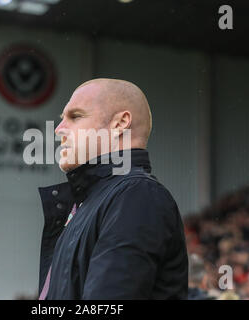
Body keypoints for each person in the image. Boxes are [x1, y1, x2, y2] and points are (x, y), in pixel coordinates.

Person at [37, 78, 188, 299]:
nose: (59, 129)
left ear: (120, 123)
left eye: (75, 116)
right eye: (62, 120)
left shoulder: (136, 195)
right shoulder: (92, 203)